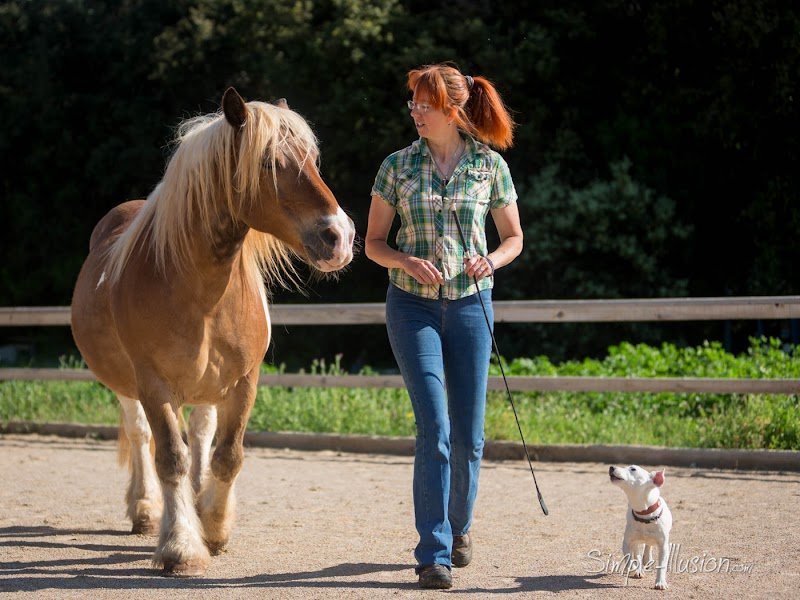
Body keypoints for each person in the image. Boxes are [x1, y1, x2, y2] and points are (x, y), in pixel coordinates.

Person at [365, 63, 523, 590]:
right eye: (412, 101)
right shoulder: (396, 166)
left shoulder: (489, 167)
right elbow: (373, 244)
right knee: (434, 428)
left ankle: (460, 529)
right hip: (412, 309)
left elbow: (513, 238)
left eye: (423, 103)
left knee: (470, 437)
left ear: (452, 110)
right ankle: (433, 553)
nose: (414, 110)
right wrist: (406, 262)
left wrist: (492, 261)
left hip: (472, 306)